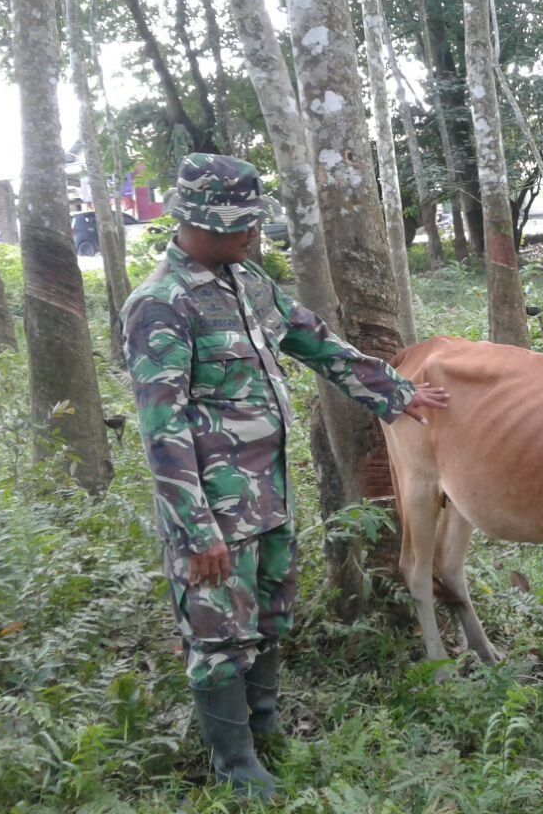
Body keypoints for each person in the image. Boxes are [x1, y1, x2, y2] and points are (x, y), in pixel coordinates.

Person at [121, 153, 447, 799]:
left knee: (270, 616)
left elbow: (316, 340)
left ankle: (264, 729)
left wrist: (393, 391)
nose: (250, 236)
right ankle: (235, 765)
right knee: (218, 632)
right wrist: (197, 532)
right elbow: (163, 431)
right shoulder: (160, 305)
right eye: (238, 225)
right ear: (197, 223)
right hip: (212, 508)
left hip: (268, 494)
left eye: (252, 223)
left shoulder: (247, 283)